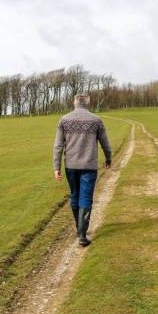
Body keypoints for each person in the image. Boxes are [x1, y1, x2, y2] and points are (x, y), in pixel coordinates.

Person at [53, 93, 112, 246]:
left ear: (74, 103)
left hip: (70, 166)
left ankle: (79, 230)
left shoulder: (64, 120)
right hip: (89, 166)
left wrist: (56, 167)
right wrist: (108, 158)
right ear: (88, 103)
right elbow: (105, 143)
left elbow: (58, 146)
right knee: (85, 197)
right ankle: (82, 235)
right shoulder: (96, 120)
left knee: (75, 196)